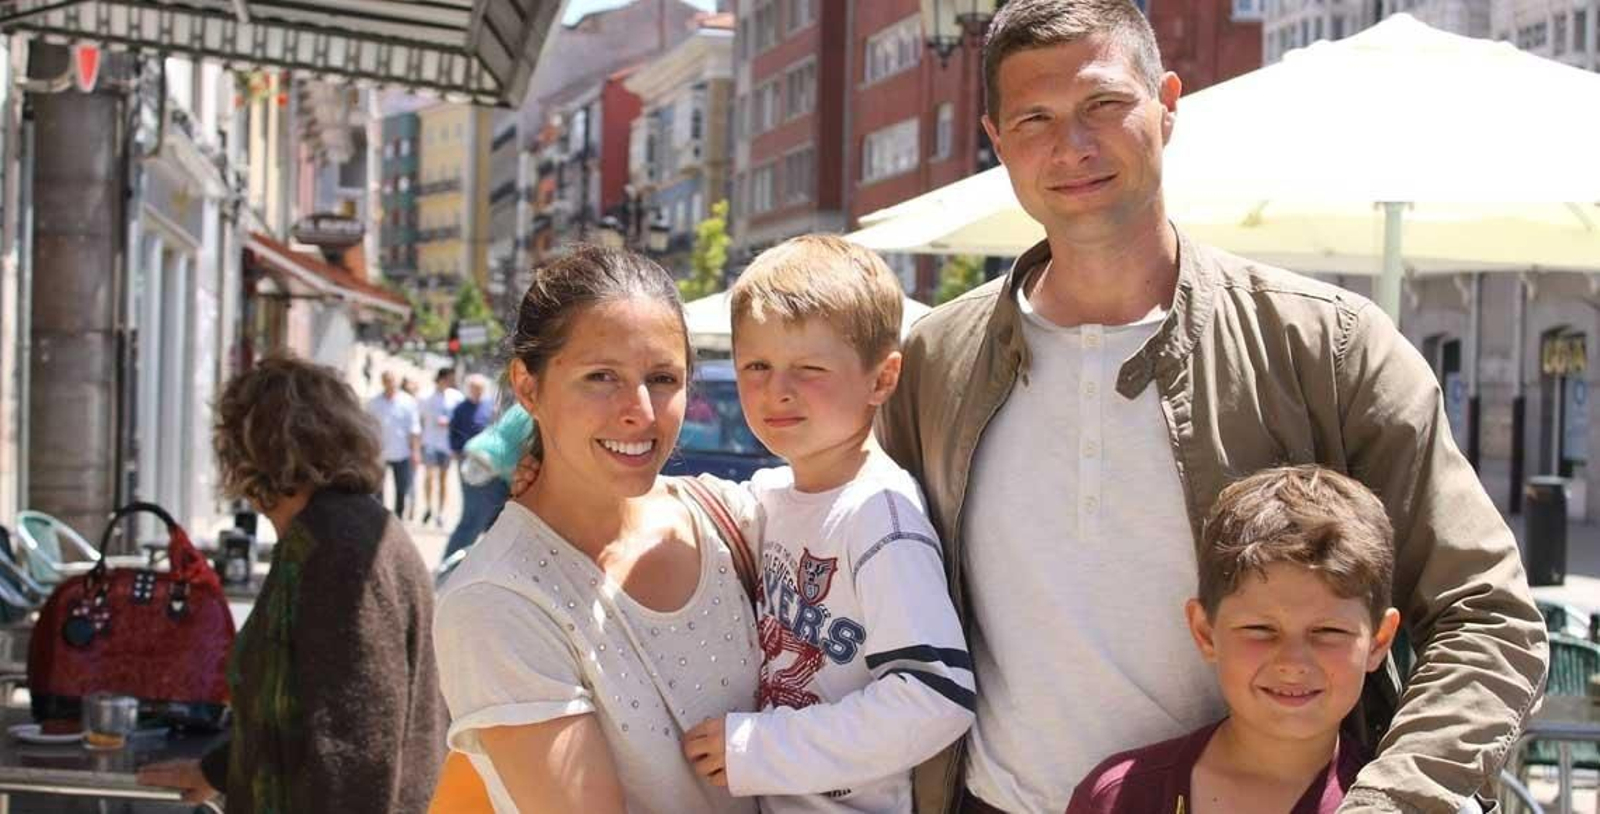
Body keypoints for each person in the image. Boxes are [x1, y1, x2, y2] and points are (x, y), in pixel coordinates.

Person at [875, 1, 1547, 811]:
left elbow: (1487, 615)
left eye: (1103, 104)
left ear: (1167, 103)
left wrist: (1392, 801)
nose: (1072, 146)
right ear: (995, 138)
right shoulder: (935, 361)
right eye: (1034, 119)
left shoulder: (1327, 347)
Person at [432, 246, 761, 814]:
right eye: (601, 377)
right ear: (528, 388)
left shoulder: (732, 518)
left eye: (662, 378)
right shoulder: (497, 600)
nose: (640, 411)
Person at [681, 236, 974, 812]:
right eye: (756, 366)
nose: (776, 391)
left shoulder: (880, 514)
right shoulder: (775, 496)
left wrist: (754, 748)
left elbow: (937, 696)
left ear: (882, 379)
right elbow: (690, 503)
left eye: (809, 368)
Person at [137, 355, 445, 812]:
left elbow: (355, 745)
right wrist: (218, 772)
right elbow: (296, 711)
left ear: (252, 452)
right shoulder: (331, 532)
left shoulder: (337, 548)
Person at [1067, 466, 1401, 814]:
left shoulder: (1402, 806)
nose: (1292, 663)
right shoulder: (1120, 799)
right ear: (1205, 632)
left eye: (1328, 632)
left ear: (1379, 641)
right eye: (1260, 629)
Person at [444, 373, 509, 561]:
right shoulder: (460, 408)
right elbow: (452, 431)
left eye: (480, 389)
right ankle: (451, 563)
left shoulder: (490, 407)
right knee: (471, 517)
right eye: (474, 388)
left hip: (490, 464)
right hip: (469, 461)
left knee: (485, 518)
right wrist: (456, 450)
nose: (477, 392)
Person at [368, 370, 421, 519]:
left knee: (402, 488)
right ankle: (380, 517)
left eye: (392, 380)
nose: (390, 384)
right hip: (380, 453)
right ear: (382, 382)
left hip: (402, 453)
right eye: (387, 381)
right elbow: (369, 428)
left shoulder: (408, 402)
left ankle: (398, 516)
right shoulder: (374, 403)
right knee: (378, 489)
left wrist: (416, 452)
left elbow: (414, 429)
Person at [421, 367, 465, 528]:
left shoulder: (456, 397)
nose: (451, 381)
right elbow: (419, 419)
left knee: (443, 479)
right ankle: (428, 507)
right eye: (449, 378)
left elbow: (460, 419)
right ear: (441, 378)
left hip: (447, 445)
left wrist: (450, 424)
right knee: (429, 476)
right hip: (429, 442)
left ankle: (440, 512)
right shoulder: (426, 396)